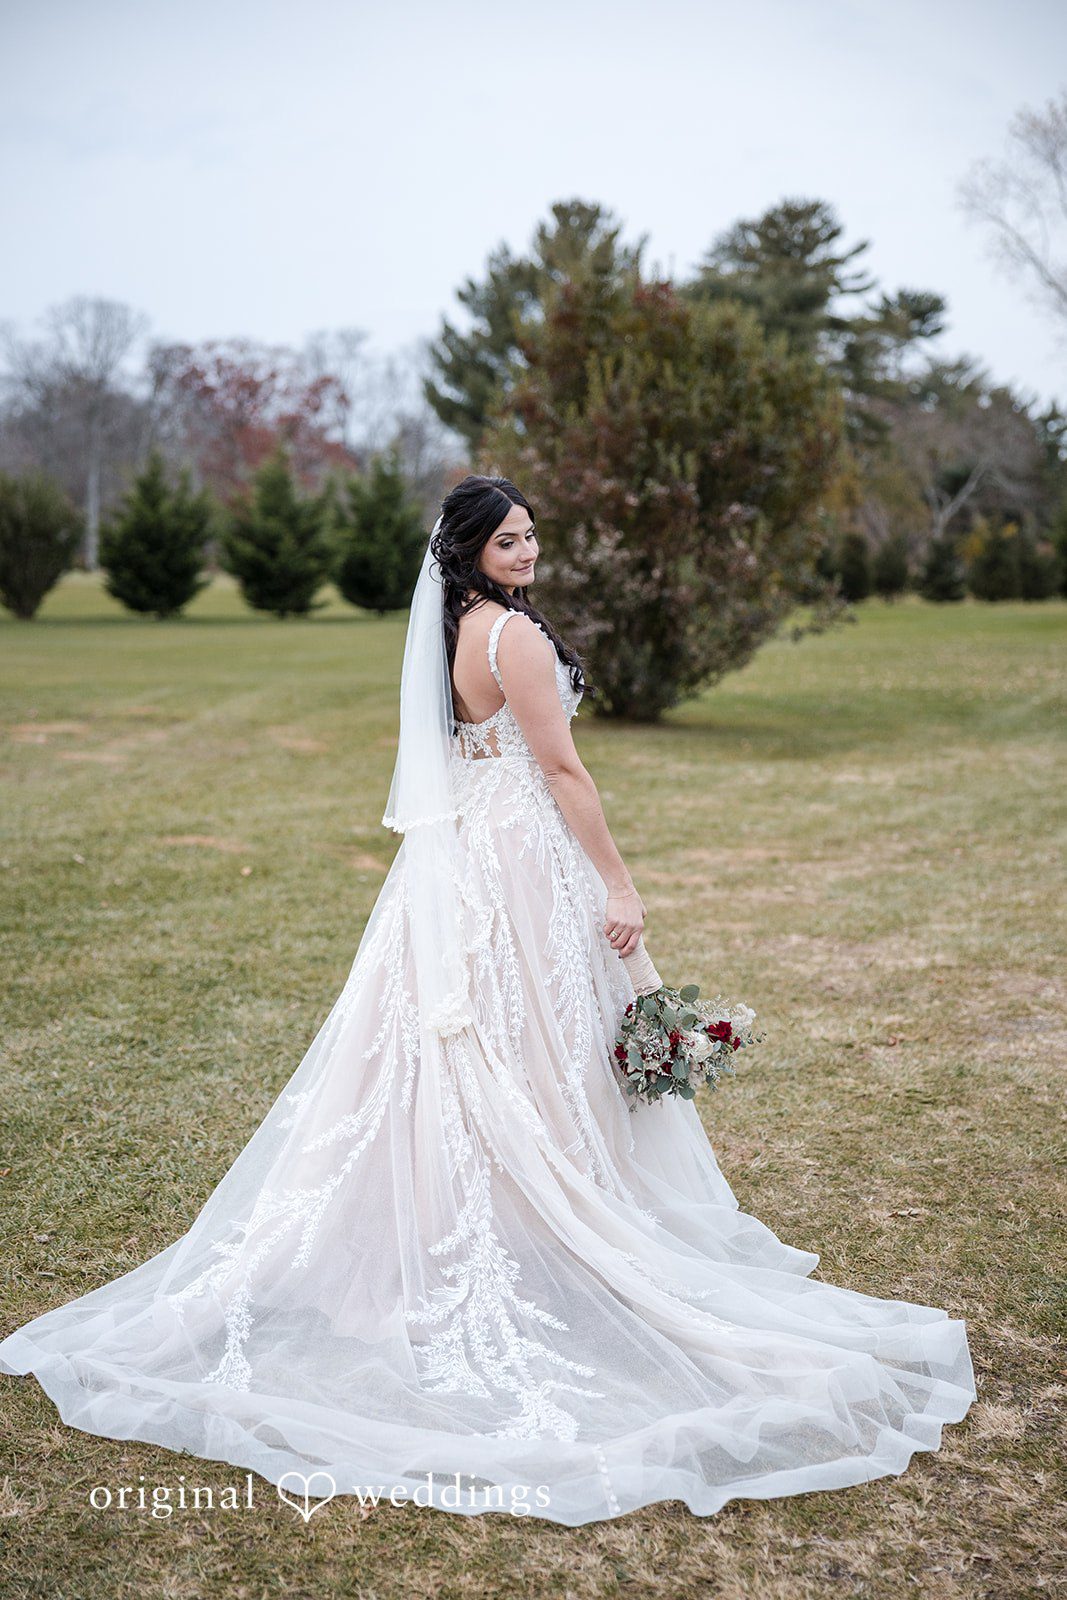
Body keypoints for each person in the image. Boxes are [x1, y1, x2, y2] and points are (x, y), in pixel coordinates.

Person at [0, 474, 976, 1526]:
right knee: (523, 1037)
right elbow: (561, 769)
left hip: (463, 852)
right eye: (508, 540)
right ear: (468, 549)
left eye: (531, 535)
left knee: (477, 1040)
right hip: (517, 857)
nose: (528, 551)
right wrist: (618, 884)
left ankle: (486, 1221)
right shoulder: (508, 634)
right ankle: (536, 1222)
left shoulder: (452, 629)